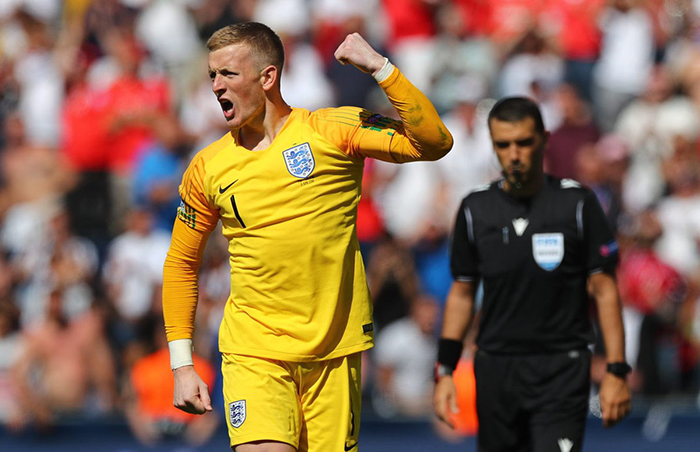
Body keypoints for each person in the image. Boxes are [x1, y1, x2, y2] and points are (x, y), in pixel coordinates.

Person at [162, 21, 452, 452]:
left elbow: (433, 142)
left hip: (335, 352)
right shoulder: (208, 167)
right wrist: (182, 365)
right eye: (212, 75)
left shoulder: (331, 130)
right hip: (254, 352)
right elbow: (182, 264)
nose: (216, 85)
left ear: (267, 77)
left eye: (228, 74)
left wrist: (380, 68)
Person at [433, 97, 630, 452]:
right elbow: (462, 294)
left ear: (544, 139)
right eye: (503, 144)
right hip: (496, 368)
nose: (514, 154)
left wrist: (616, 370)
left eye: (524, 142)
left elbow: (605, 290)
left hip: (561, 367)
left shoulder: (577, 204)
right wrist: (445, 370)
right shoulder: (475, 209)